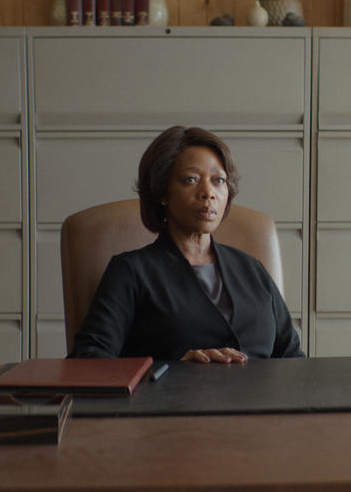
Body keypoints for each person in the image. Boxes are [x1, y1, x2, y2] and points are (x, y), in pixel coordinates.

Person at [70, 126, 303, 363]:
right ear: (162, 191)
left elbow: (294, 361)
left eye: (218, 181)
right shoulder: (130, 272)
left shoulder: (252, 268)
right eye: (190, 179)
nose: (208, 193)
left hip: (263, 400)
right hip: (170, 400)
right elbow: (88, 362)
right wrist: (173, 370)